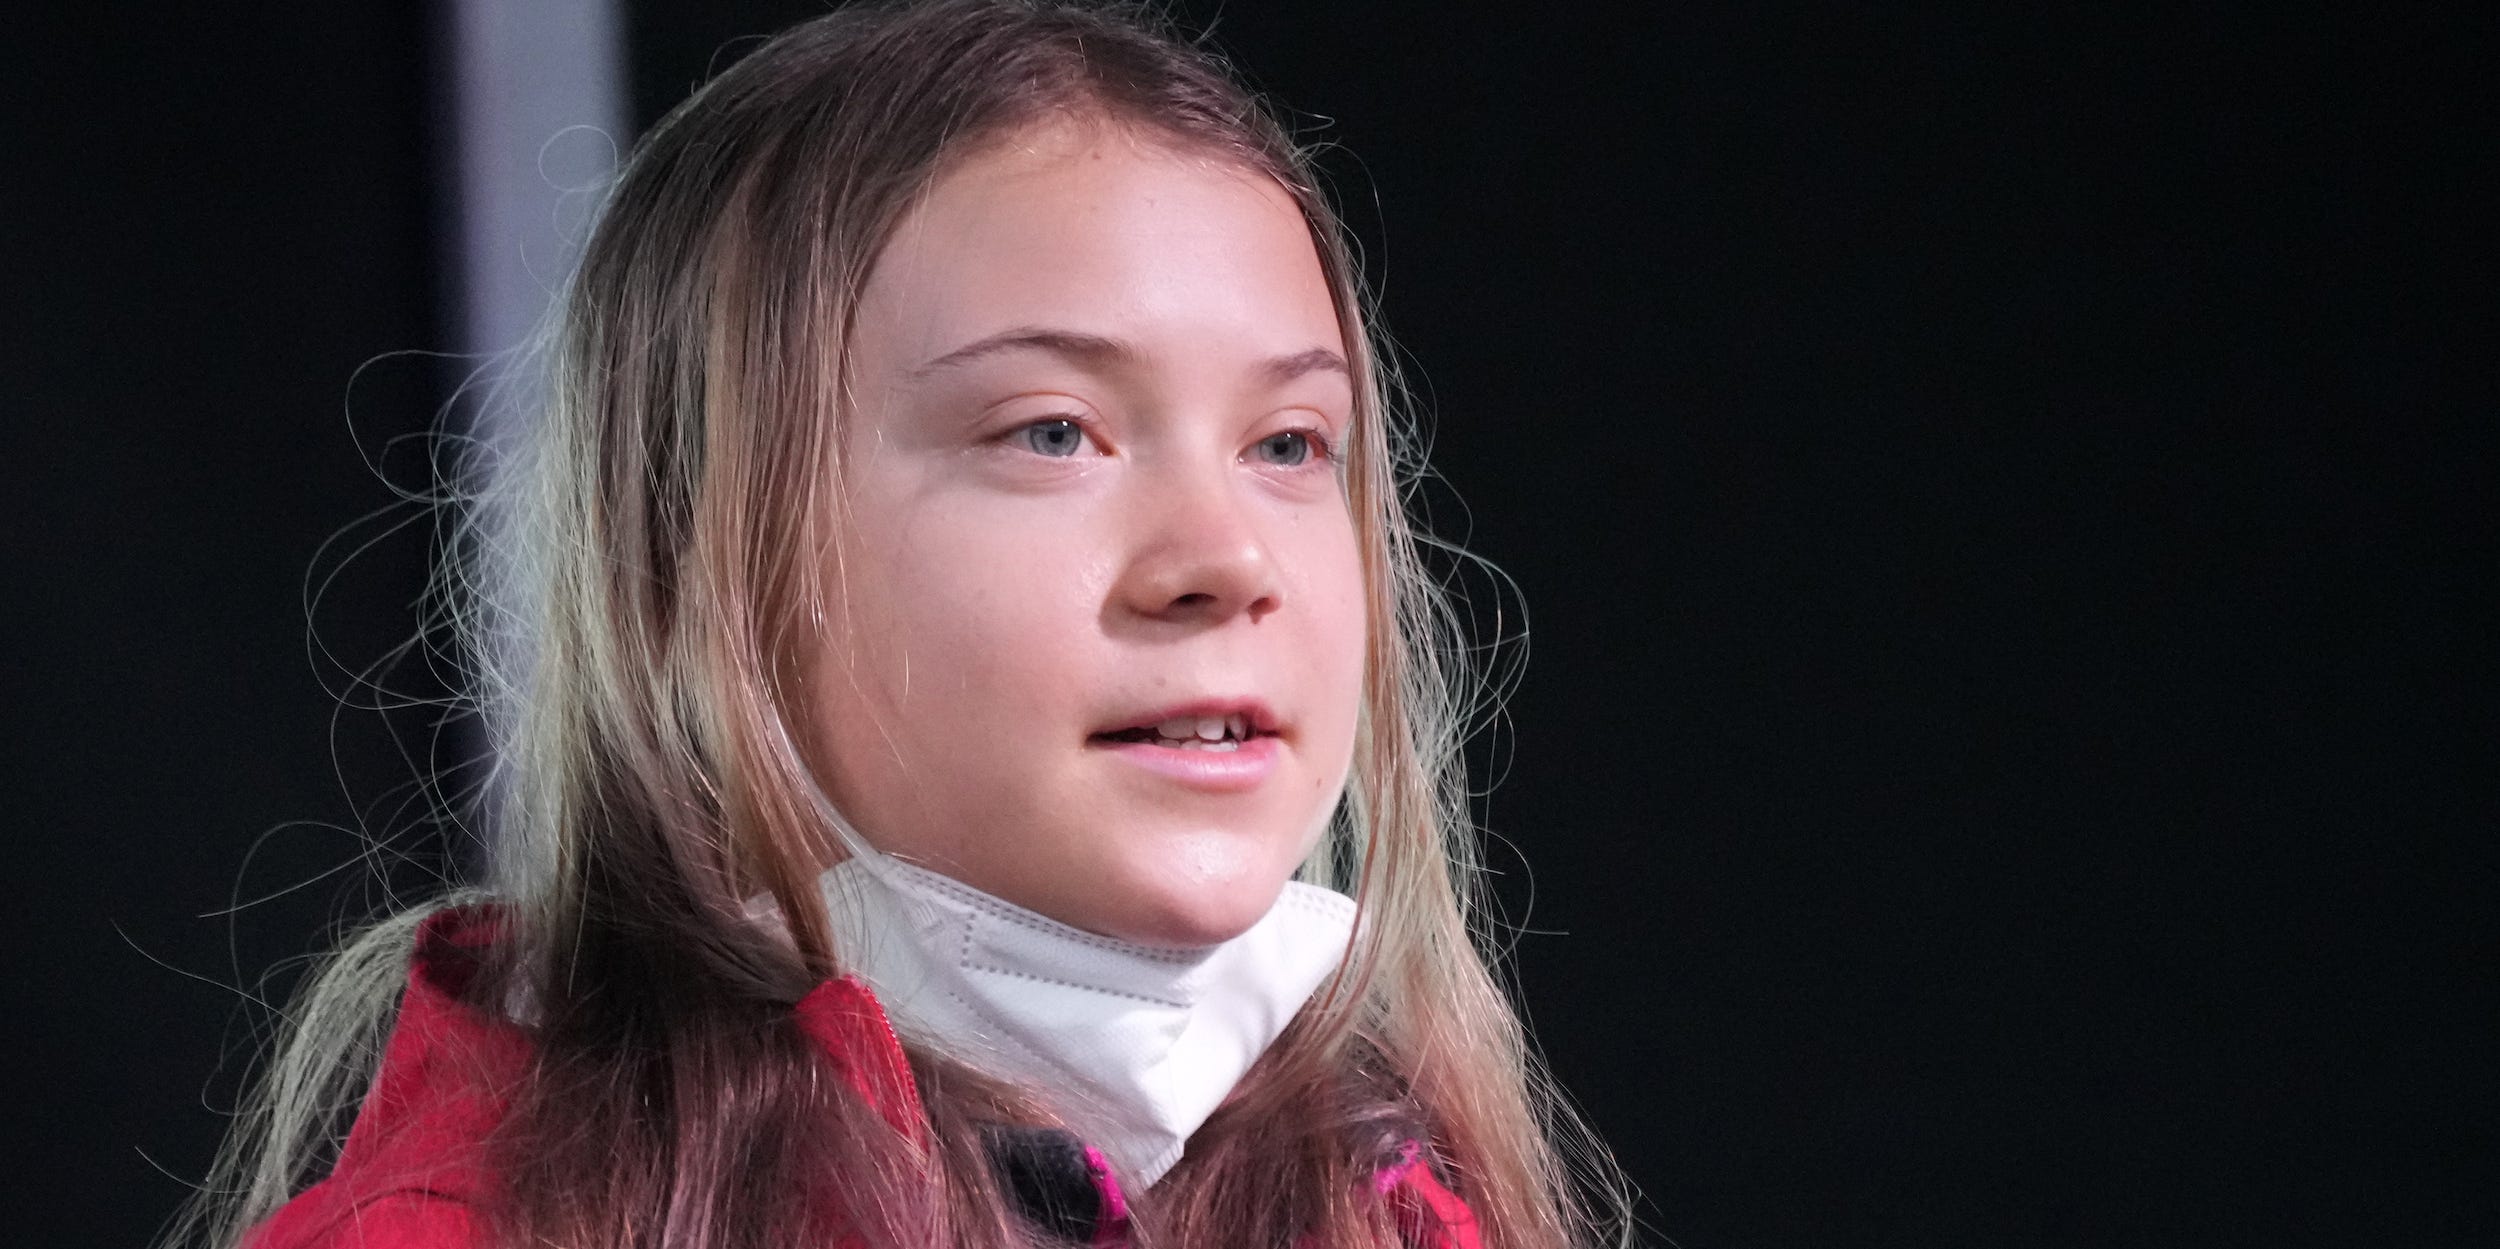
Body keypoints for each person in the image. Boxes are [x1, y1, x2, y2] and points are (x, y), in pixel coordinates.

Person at [169, 2, 1628, 1246]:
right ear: (706, 558)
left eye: (1292, 443)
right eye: (1053, 431)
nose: (1226, 558)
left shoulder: (1410, 1210)